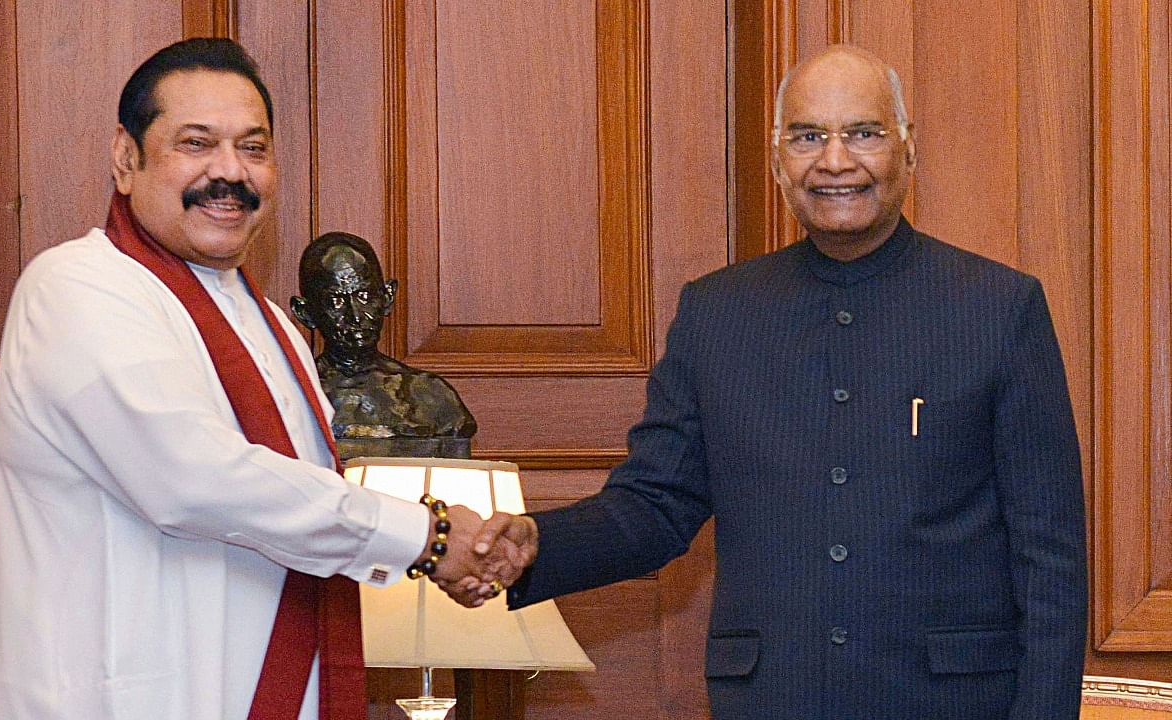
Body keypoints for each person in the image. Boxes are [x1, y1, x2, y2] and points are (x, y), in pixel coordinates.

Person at [450, 44, 1088, 719]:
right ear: (779, 158)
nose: (835, 162)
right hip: (774, 698)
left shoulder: (998, 308)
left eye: (863, 133)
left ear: (907, 147)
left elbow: (1049, 556)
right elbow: (655, 504)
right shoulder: (717, 314)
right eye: (808, 136)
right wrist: (538, 544)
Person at [0, 38, 515, 720]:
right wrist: (429, 539)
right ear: (126, 158)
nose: (229, 172)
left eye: (254, 148)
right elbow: (196, 480)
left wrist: (449, 550)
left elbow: (301, 505)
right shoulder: (77, 288)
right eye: (197, 144)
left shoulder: (273, 326)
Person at [290, 232, 477, 460]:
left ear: (387, 297)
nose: (355, 316)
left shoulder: (432, 397)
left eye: (365, 296)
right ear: (305, 313)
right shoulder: (290, 398)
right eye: (335, 301)